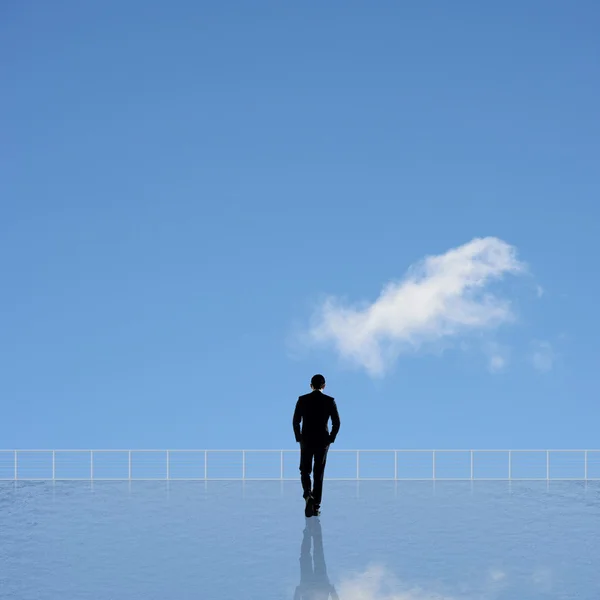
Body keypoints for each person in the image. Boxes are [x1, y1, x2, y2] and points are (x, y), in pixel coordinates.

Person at [293, 374, 341, 517]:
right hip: (322, 441)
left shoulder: (303, 400)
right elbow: (337, 423)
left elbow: (296, 421)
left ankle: (308, 495)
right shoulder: (329, 401)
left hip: (306, 440)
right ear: (324, 386)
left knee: (305, 470)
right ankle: (316, 506)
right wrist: (330, 438)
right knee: (318, 473)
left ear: (310, 385)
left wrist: (299, 438)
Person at [293, 516, 339, 600]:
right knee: (312, 554)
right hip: (315, 585)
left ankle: (312, 525)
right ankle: (312, 525)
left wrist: (332, 591)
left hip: (314, 585)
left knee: (314, 554)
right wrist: (332, 591)